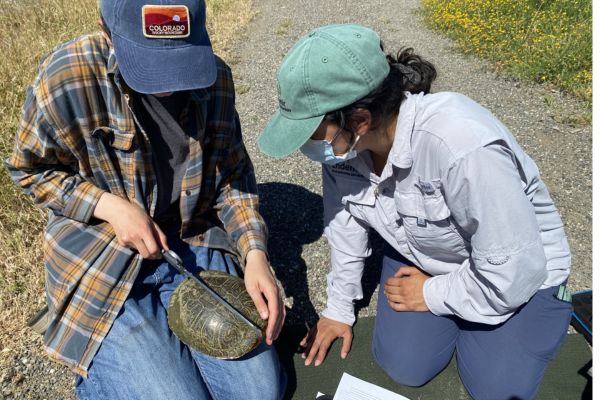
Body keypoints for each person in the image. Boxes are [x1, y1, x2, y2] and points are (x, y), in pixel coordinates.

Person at [258, 24, 572, 400]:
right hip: (426, 254)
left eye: (310, 133)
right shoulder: (346, 147)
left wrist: (432, 292)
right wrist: (339, 308)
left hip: (517, 269)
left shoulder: (462, 147)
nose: (305, 147)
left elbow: (511, 272)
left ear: (360, 120)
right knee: (404, 364)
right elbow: (345, 227)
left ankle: (549, 306)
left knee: (496, 388)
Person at [5, 0, 285, 399]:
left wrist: (255, 253)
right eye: (149, 64)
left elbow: (233, 177)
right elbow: (30, 170)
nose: (168, 81)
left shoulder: (215, 77)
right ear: (106, 31)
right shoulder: (69, 74)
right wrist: (109, 206)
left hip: (192, 239)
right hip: (105, 254)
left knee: (261, 394)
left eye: (180, 62)